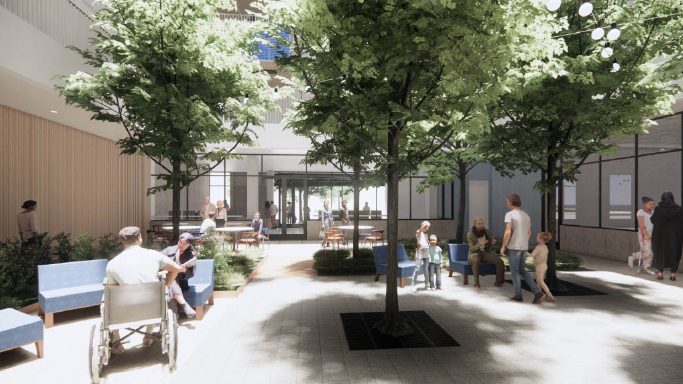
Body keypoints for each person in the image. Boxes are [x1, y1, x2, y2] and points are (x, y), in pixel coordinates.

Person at [106, 227, 185, 354]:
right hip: (153, 308)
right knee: (153, 298)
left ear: (122, 241)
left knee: (108, 303)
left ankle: (116, 342)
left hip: (124, 311)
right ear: (139, 238)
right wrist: (166, 286)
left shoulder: (112, 264)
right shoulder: (154, 255)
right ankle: (148, 335)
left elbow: (113, 290)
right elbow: (176, 268)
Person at [501, 194, 545, 304]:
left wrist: (503, 247)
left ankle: (518, 296)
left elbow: (507, 232)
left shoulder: (509, 214)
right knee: (521, 270)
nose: (506, 203)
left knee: (515, 272)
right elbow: (529, 232)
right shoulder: (526, 215)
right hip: (524, 246)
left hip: (514, 247)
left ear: (511, 202)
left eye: (507, 201)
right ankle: (537, 292)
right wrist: (522, 241)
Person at [160, 233, 198, 318]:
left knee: (171, 281)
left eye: (184, 244)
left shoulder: (190, 255)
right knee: (170, 277)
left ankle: (173, 318)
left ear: (189, 245)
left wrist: (184, 270)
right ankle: (183, 303)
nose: (181, 245)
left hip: (180, 282)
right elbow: (156, 262)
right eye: (180, 242)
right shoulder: (168, 250)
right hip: (164, 279)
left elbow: (191, 274)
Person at [650, 192, 683, 281]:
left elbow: (653, 220)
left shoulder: (658, 209)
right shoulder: (679, 209)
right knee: (674, 253)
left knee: (659, 252)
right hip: (675, 237)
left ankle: (660, 273)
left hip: (660, 236)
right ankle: (673, 273)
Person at [466, 217, 505, 288]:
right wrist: (479, 244)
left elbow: (489, 242)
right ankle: (477, 283)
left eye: (482, 223)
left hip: (485, 252)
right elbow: (472, 248)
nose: (481, 225)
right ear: (475, 224)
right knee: (475, 260)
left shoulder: (486, 231)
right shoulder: (470, 233)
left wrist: (492, 242)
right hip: (475, 253)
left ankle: (498, 282)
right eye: (479, 224)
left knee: (500, 261)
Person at [530, 232, 555, 302]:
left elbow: (532, 255)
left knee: (540, 282)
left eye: (537, 237)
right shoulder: (545, 247)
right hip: (543, 265)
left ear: (541, 239)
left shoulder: (538, 247)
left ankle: (550, 296)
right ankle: (539, 295)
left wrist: (524, 252)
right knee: (538, 281)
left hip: (540, 266)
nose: (536, 237)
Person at [634, 196, 656, 275]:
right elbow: (641, 224)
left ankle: (646, 268)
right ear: (644, 204)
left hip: (653, 232)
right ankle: (634, 256)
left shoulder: (653, 212)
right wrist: (645, 234)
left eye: (653, 204)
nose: (652, 206)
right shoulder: (640, 212)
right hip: (644, 232)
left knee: (651, 252)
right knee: (647, 251)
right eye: (650, 204)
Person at [410, 221, 431, 292]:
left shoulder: (426, 235)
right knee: (417, 269)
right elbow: (419, 231)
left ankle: (426, 284)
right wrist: (423, 227)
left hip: (426, 253)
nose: (427, 228)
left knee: (426, 269)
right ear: (422, 226)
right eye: (426, 226)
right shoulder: (418, 232)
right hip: (420, 252)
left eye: (428, 227)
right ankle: (412, 285)